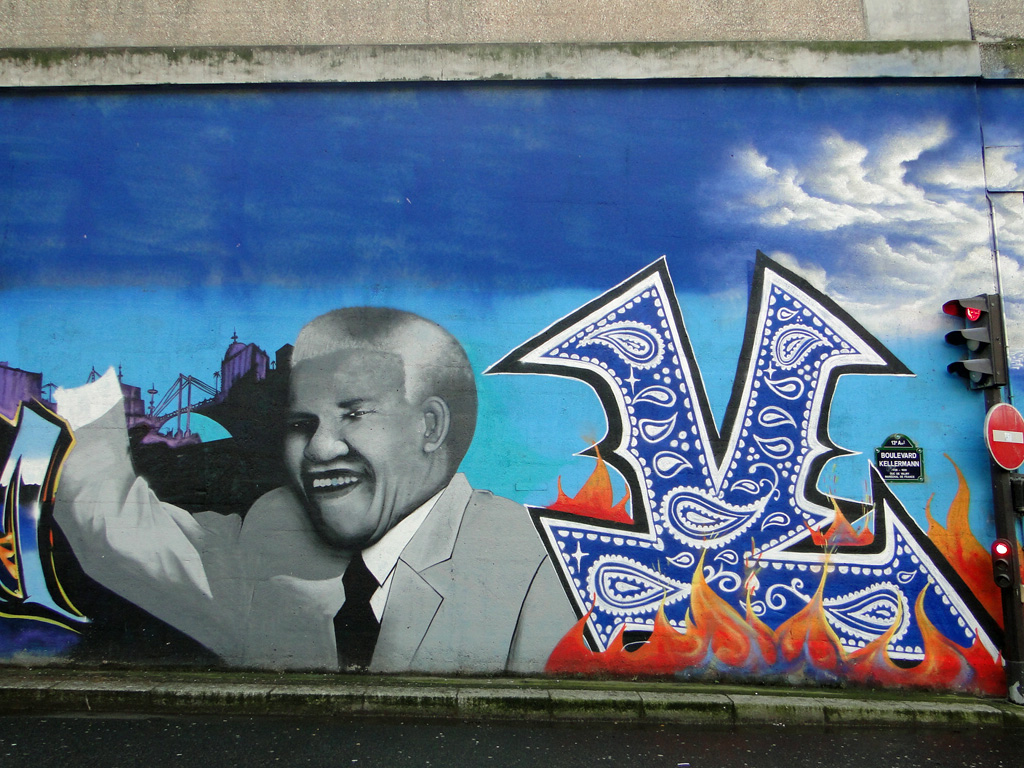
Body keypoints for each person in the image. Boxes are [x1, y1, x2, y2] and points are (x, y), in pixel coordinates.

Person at [52, 308, 575, 673]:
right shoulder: (275, 531)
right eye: (302, 424)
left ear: (430, 427)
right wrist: (87, 366)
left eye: (356, 414)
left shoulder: (534, 564)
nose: (319, 449)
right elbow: (111, 527)